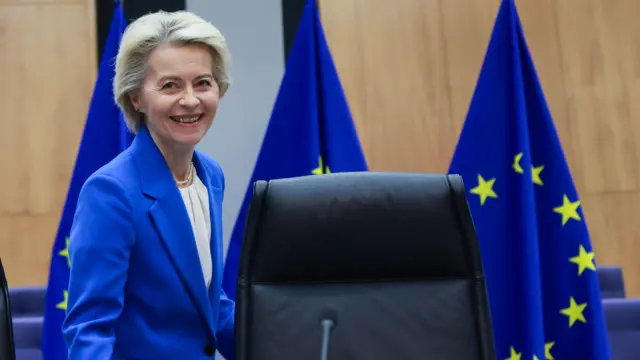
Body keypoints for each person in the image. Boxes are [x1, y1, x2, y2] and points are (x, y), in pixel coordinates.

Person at [62, 10, 235, 360]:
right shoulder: (111, 192)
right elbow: (90, 329)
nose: (190, 100)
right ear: (136, 97)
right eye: (170, 85)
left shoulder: (210, 176)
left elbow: (207, 301)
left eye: (203, 82)